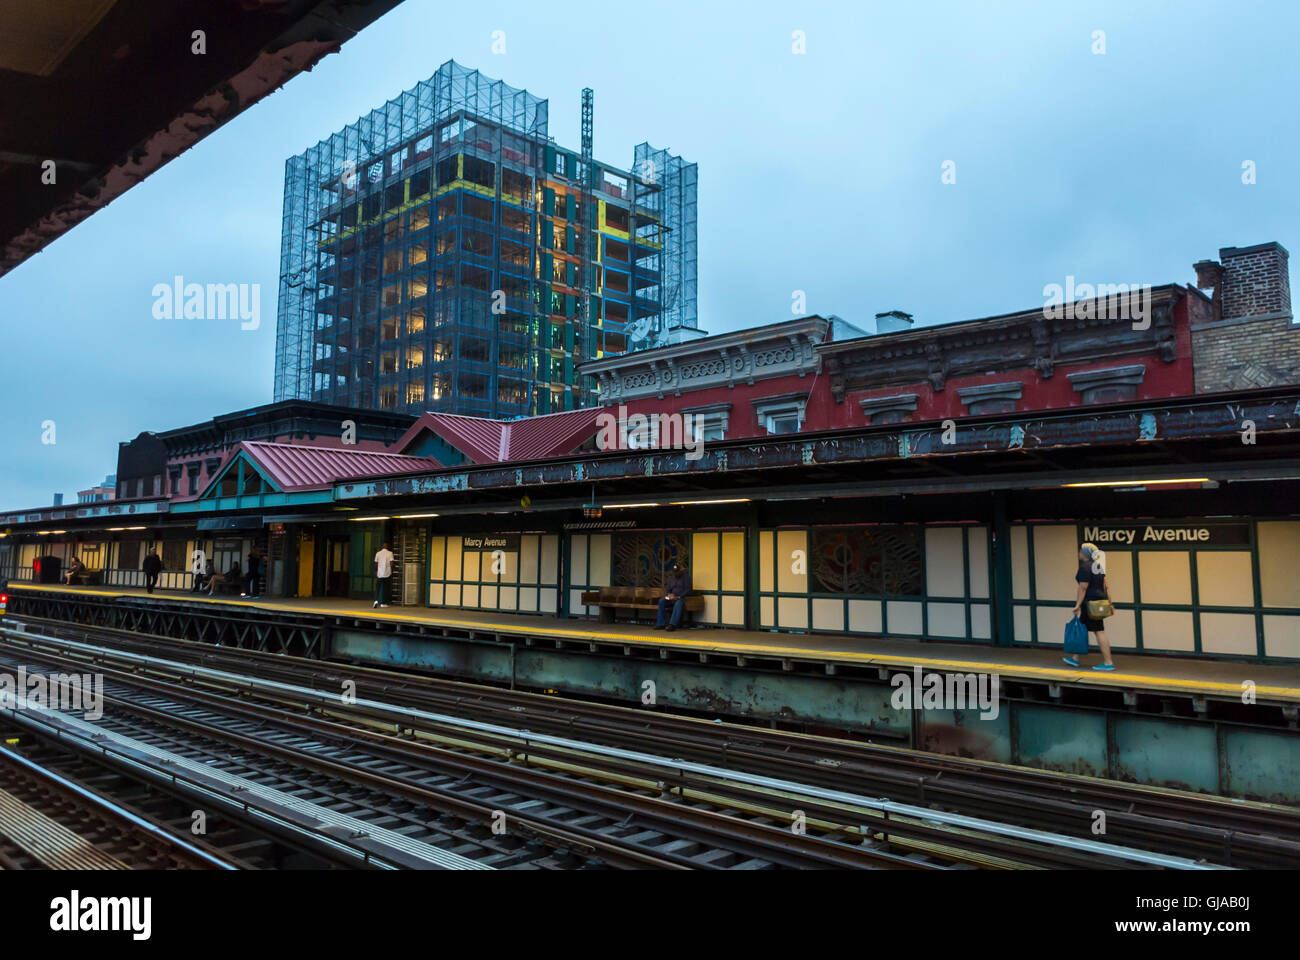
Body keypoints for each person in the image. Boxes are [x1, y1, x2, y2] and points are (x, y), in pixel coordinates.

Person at [1064, 542, 1116, 671]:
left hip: (1090, 604)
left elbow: (1083, 588)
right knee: (1082, 627)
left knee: (1099, 631)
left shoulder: (1085, 567)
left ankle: (1108, 662)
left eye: (1081, 551)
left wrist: (1077, 605)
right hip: (1098, 603)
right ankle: (1075, 658)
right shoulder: (1098, 566)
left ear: (1085, 554)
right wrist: (1110, 603)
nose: (1079, 553)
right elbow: (1106, 586)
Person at [655, 562, 692, 632]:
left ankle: (672, 624)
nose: (676, 574)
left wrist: (679, 596)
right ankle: (660, 624)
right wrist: (669, 594)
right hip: (671, 598)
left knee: (678, 604)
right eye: (674, 572)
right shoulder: (671, 578)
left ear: (681, 571)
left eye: (677, 572)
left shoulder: (686, 578)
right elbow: (668, 589)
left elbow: (688, 590)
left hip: (681, 598)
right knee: (661, 601)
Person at [373, 541, 395, 608]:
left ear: (382, 546)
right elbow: (391, 563)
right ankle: (383, 603)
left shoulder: (378, 553)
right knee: (385, 589)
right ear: (387, 546)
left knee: (378, 588)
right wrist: (392, 570)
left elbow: (376, 564)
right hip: (387, 573)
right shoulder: (390, 553)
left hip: (379, 573)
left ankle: (376, 601)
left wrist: (376, 571)